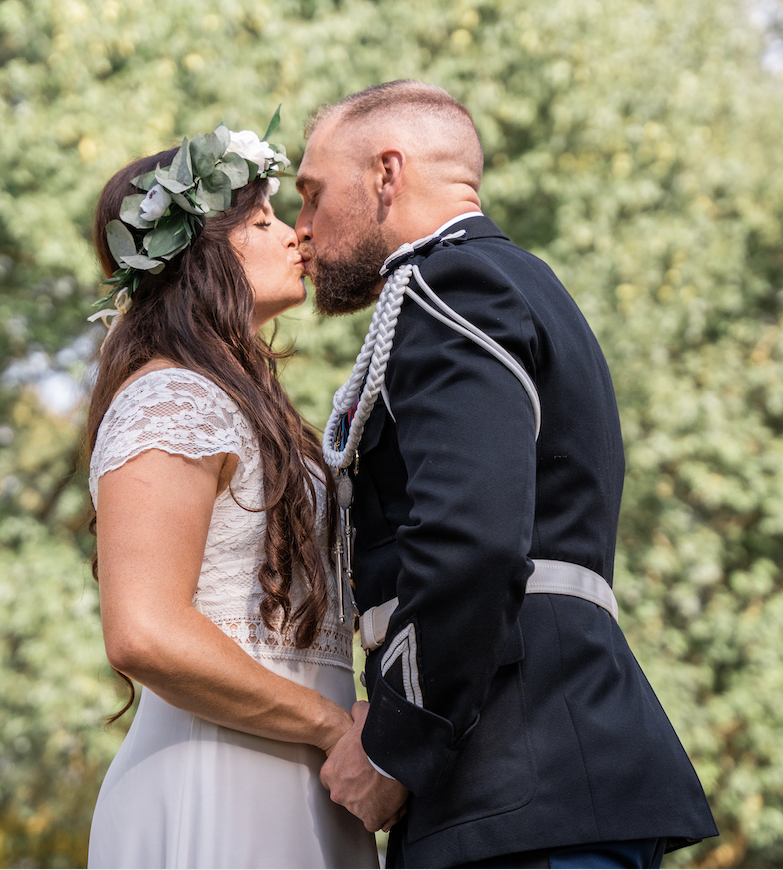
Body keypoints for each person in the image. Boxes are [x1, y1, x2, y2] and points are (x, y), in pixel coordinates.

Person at [297, 81, 719, 868]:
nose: (303, 228)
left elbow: (473, 540)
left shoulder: (455, 285)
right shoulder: (508, 281)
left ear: (388, 174)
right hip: (532, 786)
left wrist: (392, 746)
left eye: (314, 195)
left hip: (520, 783)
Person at [83, 121, 378, 869]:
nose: (294, 236)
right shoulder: (171, 399)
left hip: (306, 781)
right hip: (213, 780)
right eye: (262, 221)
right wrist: (333, 727)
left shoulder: (245, 405)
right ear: (200, 256)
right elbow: (143, 630)